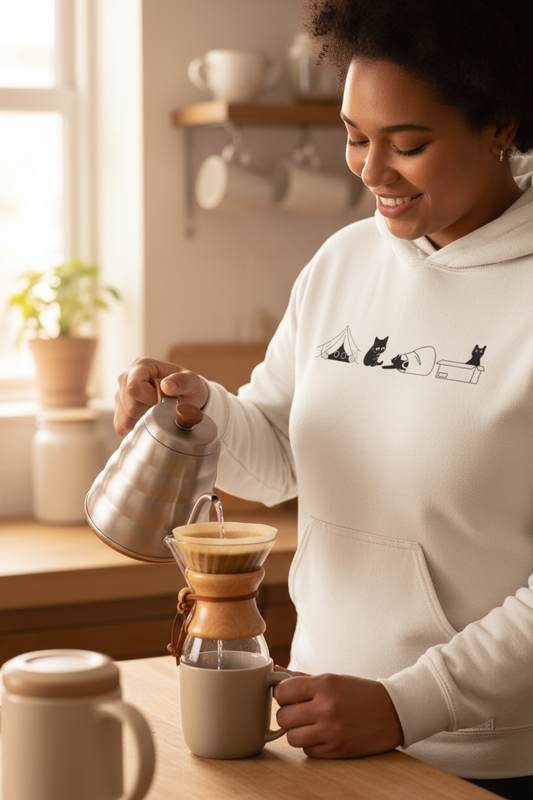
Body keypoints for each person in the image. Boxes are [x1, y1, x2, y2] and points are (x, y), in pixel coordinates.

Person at [114, 0, 533, 796]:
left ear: (499, 126)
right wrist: (199, 408)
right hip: (324, 727)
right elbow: (277, 462)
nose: (371, 171)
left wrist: (408, 705)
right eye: (353, 136)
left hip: (487, 763)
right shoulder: (344, 260)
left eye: (407, 144)